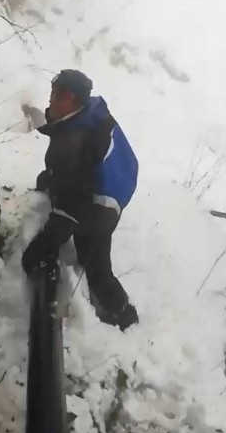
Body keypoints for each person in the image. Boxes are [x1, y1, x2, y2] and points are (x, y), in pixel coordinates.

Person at [22, 69, 139, 331]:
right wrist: (53, 178)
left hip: (102, 206)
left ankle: (124, 317)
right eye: (52, 92)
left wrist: (45, 243)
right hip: (105, 182)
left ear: (72, 99)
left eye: (57, 95)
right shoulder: (88, 114)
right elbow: (76, 166)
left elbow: (71, 206)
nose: (51, 100)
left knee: (96, 267)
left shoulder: (76, 143)